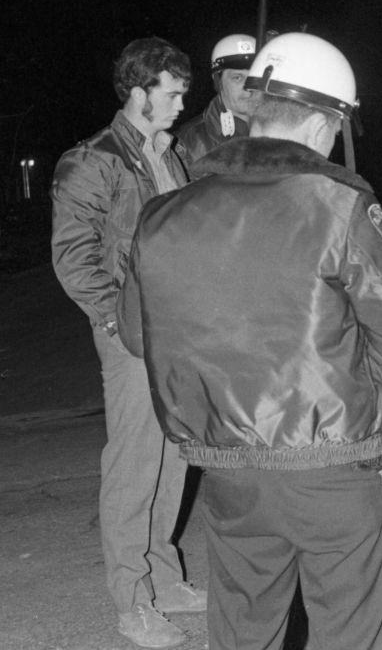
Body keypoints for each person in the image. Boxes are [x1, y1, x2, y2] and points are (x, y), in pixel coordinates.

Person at [116, 32, 382, 650]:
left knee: (243, 632)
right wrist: (367, 418)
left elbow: (138, 335)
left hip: (227, 469)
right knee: (349, 630)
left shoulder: (161, 216)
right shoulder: (338, 206)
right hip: (333, 463)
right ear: (324, 126)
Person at [50, 37, 202, 649]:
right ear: (139, 93)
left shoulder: (166, 153)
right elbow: (73, 256)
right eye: (172, 92)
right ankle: (132, 603)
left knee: (173, 460)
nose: (182, 102)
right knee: (135, 466)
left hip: (179, 327)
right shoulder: (94, 160)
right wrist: (117, 323)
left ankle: (164, 582)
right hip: (134, 331)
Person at [175, 33, 258, 165]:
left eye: (254, 77)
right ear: (218, 83)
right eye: (237, 78)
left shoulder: (280, 130)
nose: (248, 87)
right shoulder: (191, 143)